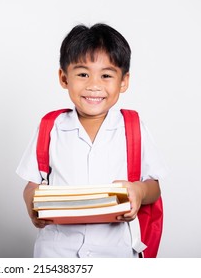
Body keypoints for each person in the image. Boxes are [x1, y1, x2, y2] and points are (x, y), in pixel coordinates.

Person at [16, 23, 167, 258]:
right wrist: (31, 202)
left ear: (124, 81)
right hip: (56, 252)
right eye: (83, 74)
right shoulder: (50, 127)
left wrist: (138, 190)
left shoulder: (134, 127)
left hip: (116, 252)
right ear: (64, 78)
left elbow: (154, 188)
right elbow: (32, 183)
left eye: (106, 75)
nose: (94, 85)